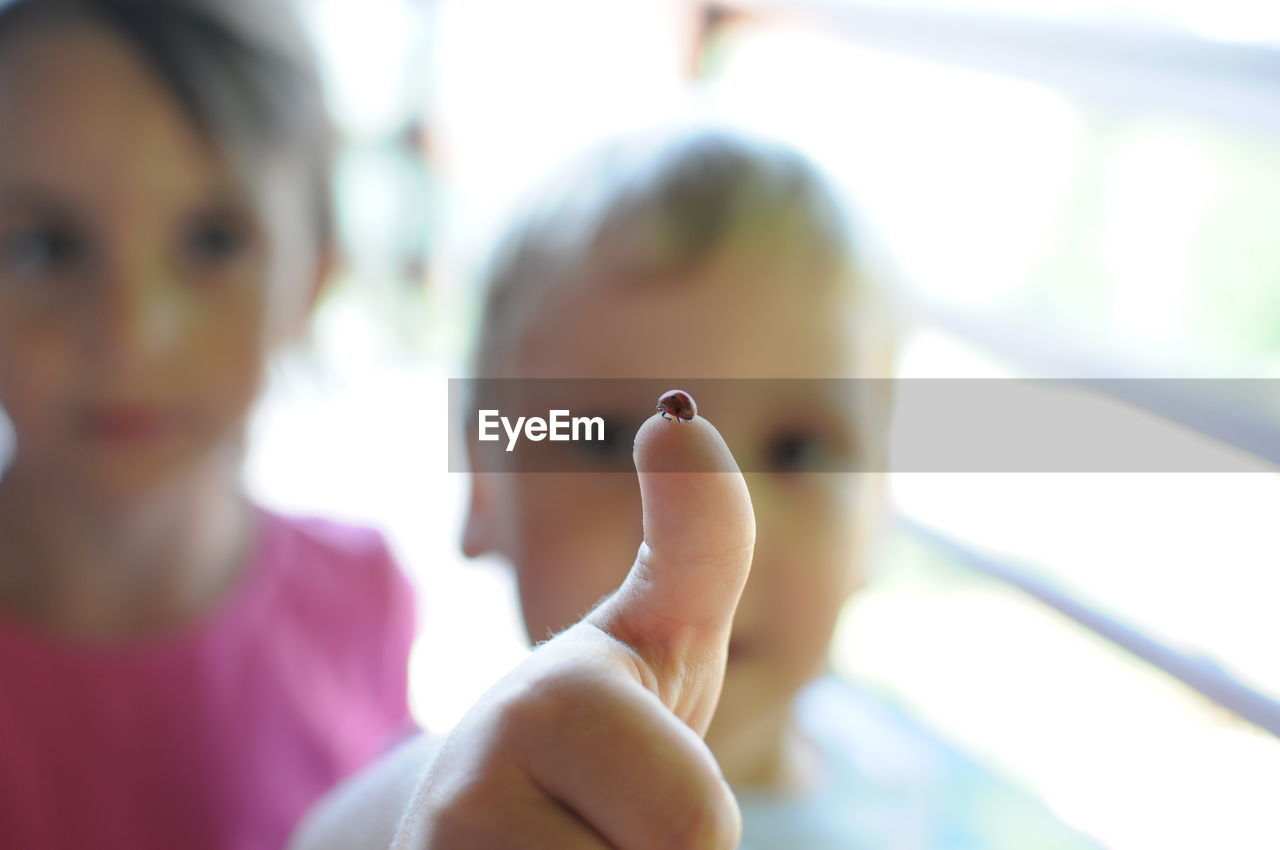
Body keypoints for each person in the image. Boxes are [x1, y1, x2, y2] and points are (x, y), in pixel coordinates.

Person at [451, 127, 1100, 848]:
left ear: (876, 512)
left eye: (798, 450)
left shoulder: (947, 809)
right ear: (486, 486)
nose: (715, 529)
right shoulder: (446, 806)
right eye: (608, 442)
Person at [0, 1, 415, 847]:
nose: (129, 336)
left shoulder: (363, 603)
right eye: (44, 247)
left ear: (313, 276)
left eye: (214, 243)